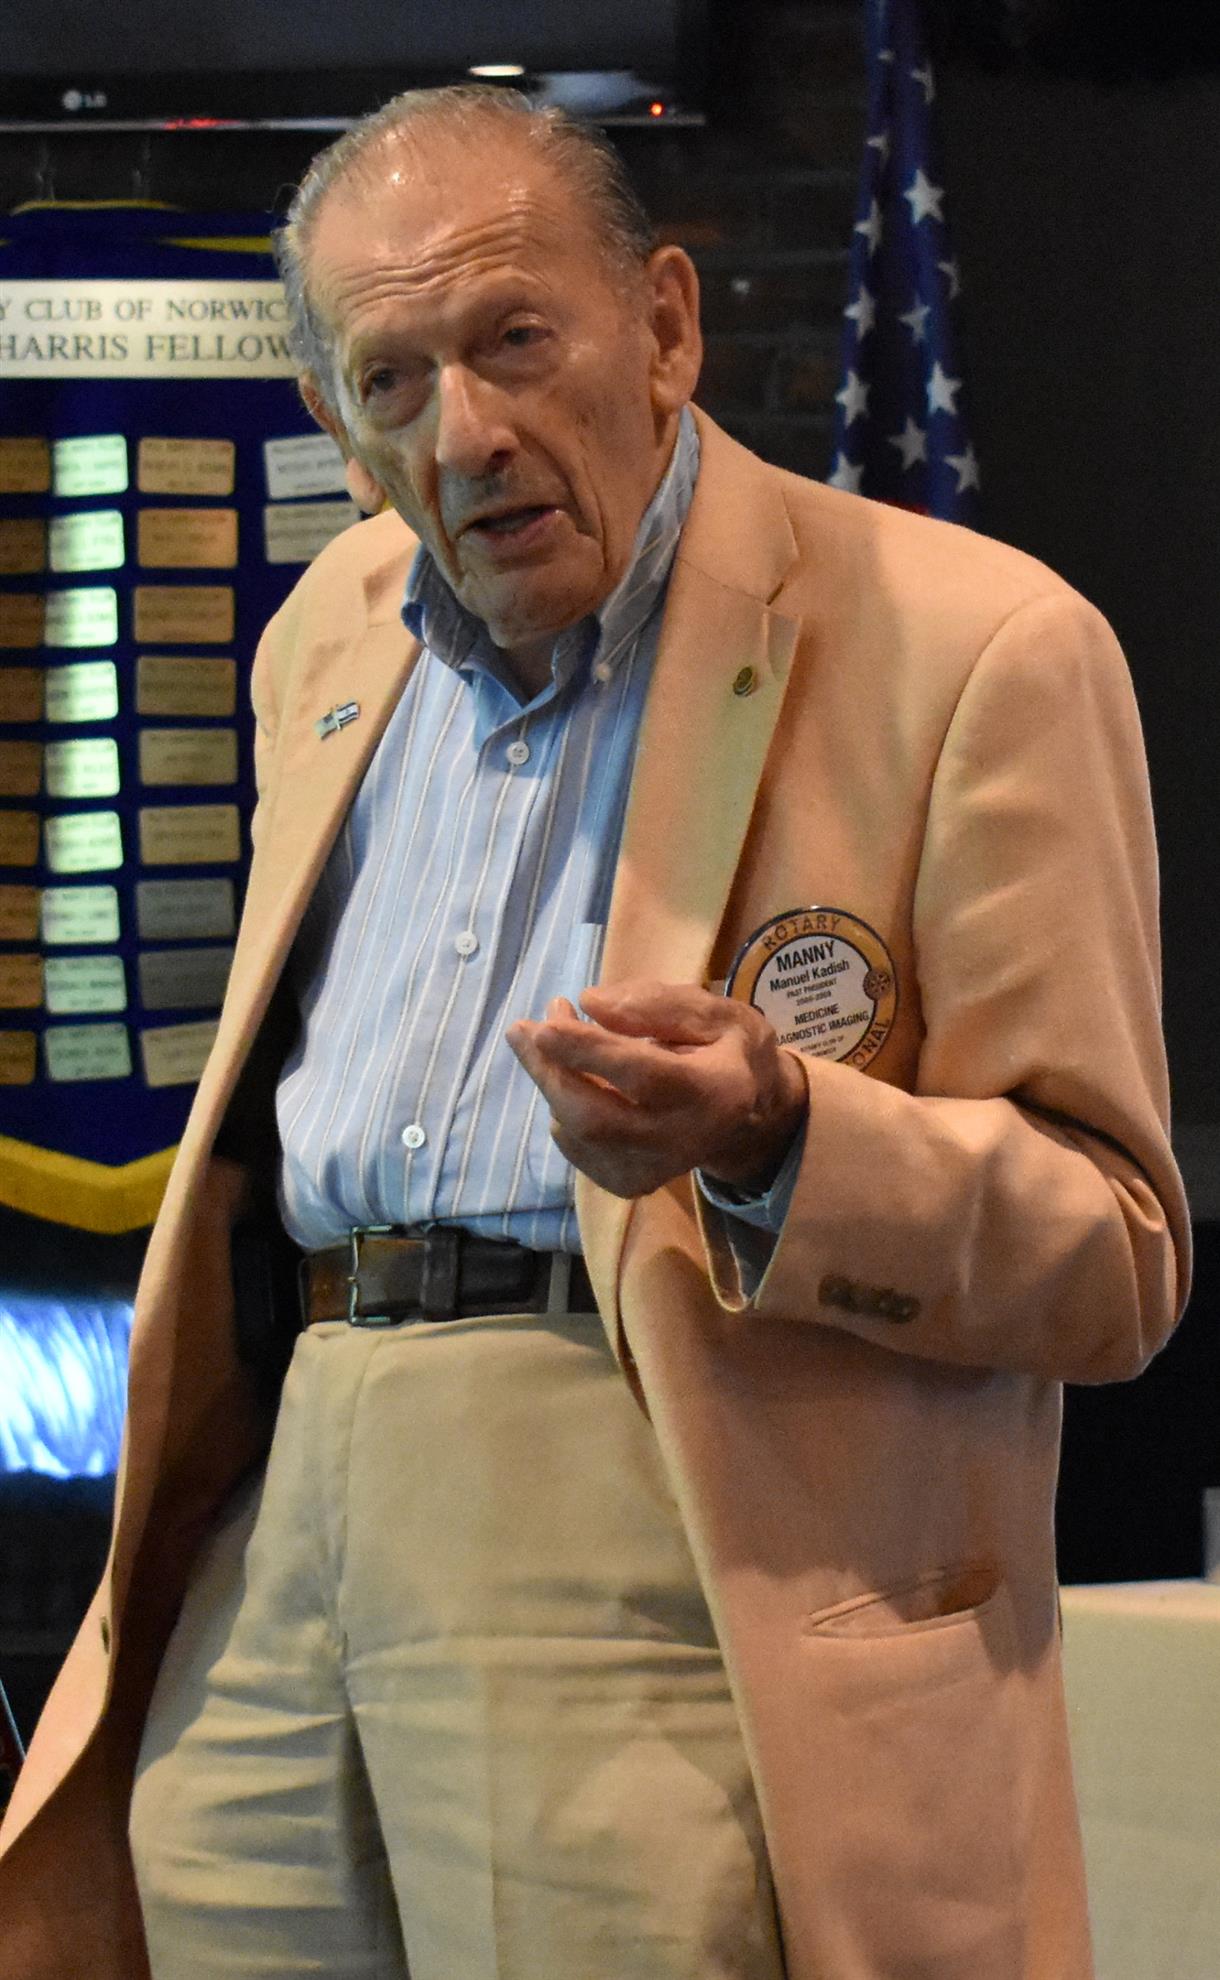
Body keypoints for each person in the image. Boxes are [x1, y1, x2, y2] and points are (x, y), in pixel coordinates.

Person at [0, 85, 1190, 1980]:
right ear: (334, 424)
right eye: (392, 382)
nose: (465, 431)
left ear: (665, 325)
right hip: (284, 1484)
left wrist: (781, 1138)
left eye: (513, 341)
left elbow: (1113, 1252)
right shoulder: (326, 633)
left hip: (637, 1478)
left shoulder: (981, 643)